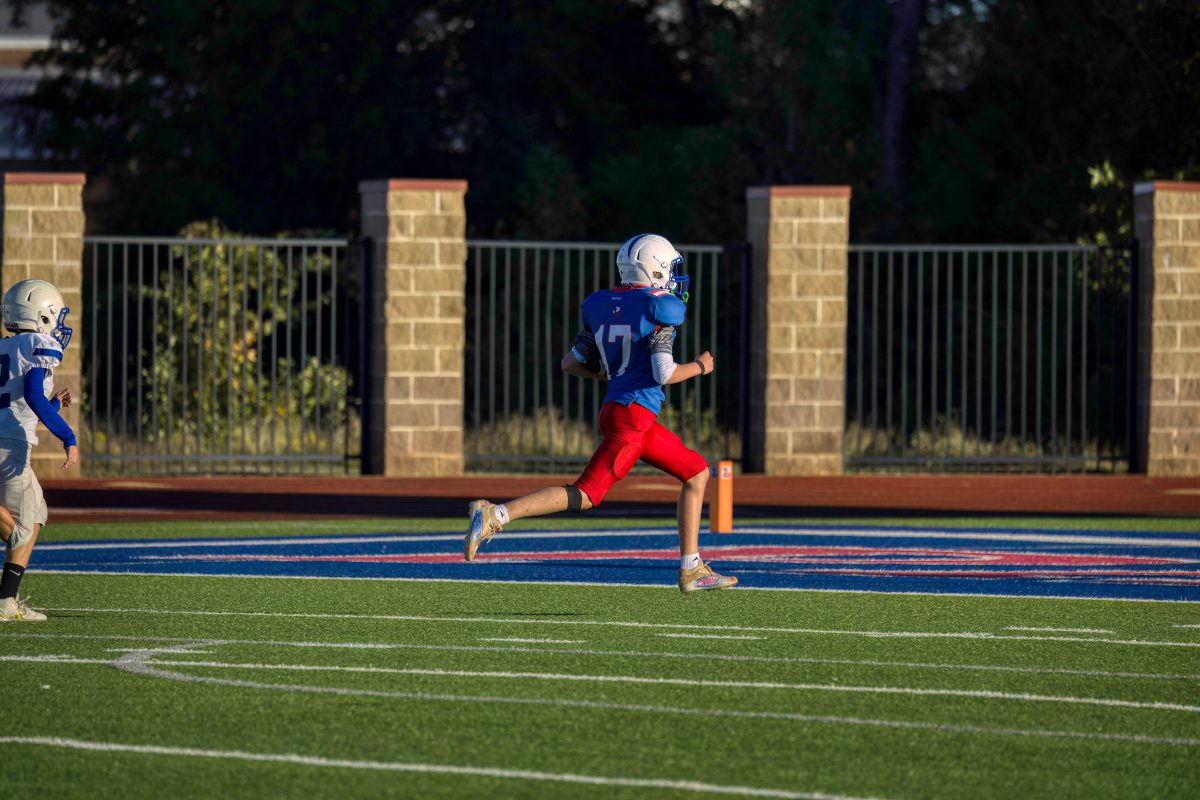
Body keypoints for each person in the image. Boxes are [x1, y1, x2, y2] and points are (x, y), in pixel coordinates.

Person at [465, 233, 737, 593]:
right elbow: (664, 373)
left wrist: (613, 374)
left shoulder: (600, 304)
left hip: (620, 412)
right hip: (634, 420)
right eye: (670, 268)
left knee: (696, 472)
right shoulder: (660, 307)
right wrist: (700, 367)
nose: (674, 277)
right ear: (655, 270)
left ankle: (692, 569)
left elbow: (570, 363)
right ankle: (497, 514)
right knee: (587, 494)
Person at [0, 278, 78, 622]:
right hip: (9, 446)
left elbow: (18, 403)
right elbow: (32, 394)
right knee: (21, 529)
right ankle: (5, 602)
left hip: (6, 438)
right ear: (41, 315)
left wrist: (53, 405)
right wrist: (67, 435)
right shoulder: (39, 344)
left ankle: (7, 599)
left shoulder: (6, 346)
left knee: (36, 515)